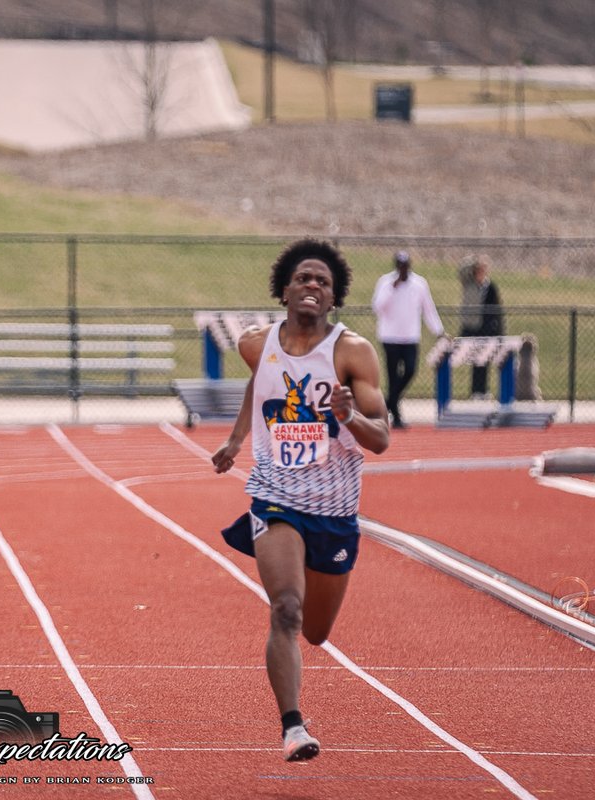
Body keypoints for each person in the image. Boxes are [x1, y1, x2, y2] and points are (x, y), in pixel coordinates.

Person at [211, 238, 390, 762]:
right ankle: (293, 727)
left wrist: (348, 415)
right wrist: (237, 440)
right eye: (304, 278)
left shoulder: (353, 353)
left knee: (315, 631)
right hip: (275, 497)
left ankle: (298, 689)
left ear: (333, 297)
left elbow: (381, 438)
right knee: (286, 610)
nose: (313, 285)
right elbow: (261, 382)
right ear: (284, 290)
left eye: (323, 282)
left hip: (334, 509)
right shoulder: (255, 343)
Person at [370, 250, 445, 428]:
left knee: (410, 370)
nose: (403, 270)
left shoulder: (419, 284)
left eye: (405, 266)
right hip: (389, 337)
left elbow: (428, 309)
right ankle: (396, 417)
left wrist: (439, 331)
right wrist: (392, 289)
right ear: (396, 266)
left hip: (411, 337)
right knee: (392, 376)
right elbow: (377, 307)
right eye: (400, 266)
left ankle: (388, 403)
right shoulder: (385, 282)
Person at [457, 254, 504, 399]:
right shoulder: (468, 283)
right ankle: (475, 391)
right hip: (471, 327)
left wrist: (499, 330)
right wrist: (474, 261)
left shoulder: (490, 287)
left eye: (483, 269)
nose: (481, 272)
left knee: (483, 361)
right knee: (474, 360)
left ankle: (482, 391)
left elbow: (497, 310)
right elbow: (461, 270)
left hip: (485, 329)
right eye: (478, 269)